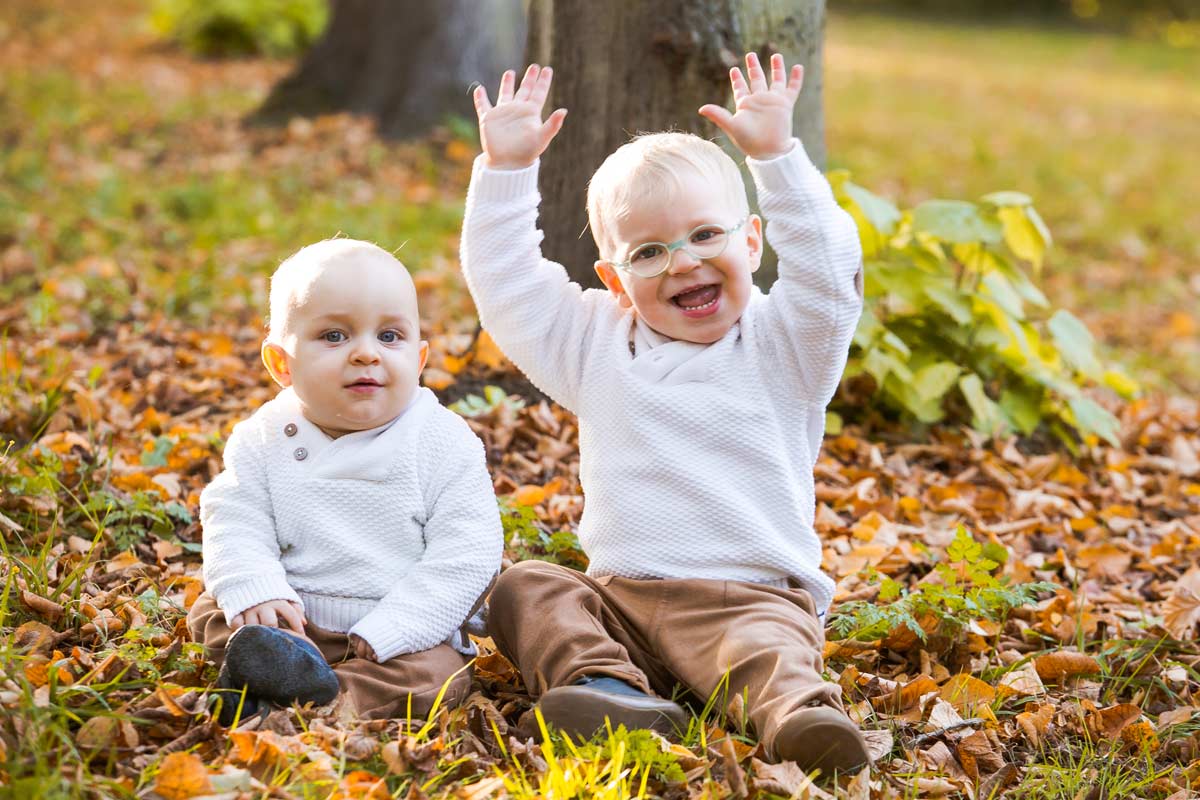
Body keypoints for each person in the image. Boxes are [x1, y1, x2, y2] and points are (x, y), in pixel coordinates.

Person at [459, 54, 870, 774]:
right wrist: (506, 171)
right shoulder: (596, 344)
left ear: (751, 242)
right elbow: (509, 288)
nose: (683, 263)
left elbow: (830, 274)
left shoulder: (787, 344)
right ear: (615, 281)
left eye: (706, 235)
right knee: (528, 588)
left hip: (747, 601)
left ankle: (799, 718)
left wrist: (777, 159)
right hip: (622, 602)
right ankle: (607, 688)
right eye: (649, 252)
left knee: (766, 653)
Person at [188, 238, 502, 724]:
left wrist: (399, 626)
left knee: (438, 675)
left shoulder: (441, 440)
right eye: (335, 336)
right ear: (282, 364)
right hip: (292, 618)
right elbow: (235, 516)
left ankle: (326, 701)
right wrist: (258, 589)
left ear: (419, 360)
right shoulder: (263, 436)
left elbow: (468, 551)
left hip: (396, 636)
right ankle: (276, 666)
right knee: (215, 609)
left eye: (390, 336)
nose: (366, 354)